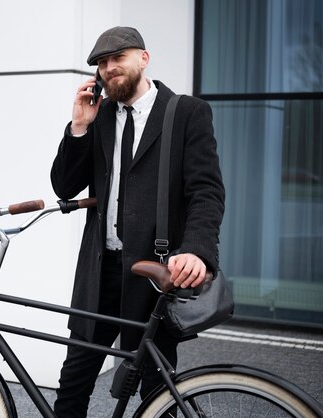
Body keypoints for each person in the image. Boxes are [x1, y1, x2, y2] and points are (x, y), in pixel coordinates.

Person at [50, 26, 225, 417]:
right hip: (100, 271)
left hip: (154, 271)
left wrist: (196, 251)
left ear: (143, 58)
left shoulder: (187, 112)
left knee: (156, 392)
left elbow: (206, 192)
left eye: (118, 58)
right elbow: (64, 185)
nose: (109, 68)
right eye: (101, 63)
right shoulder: (100, 114)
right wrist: (79, 126)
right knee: (73, 383)